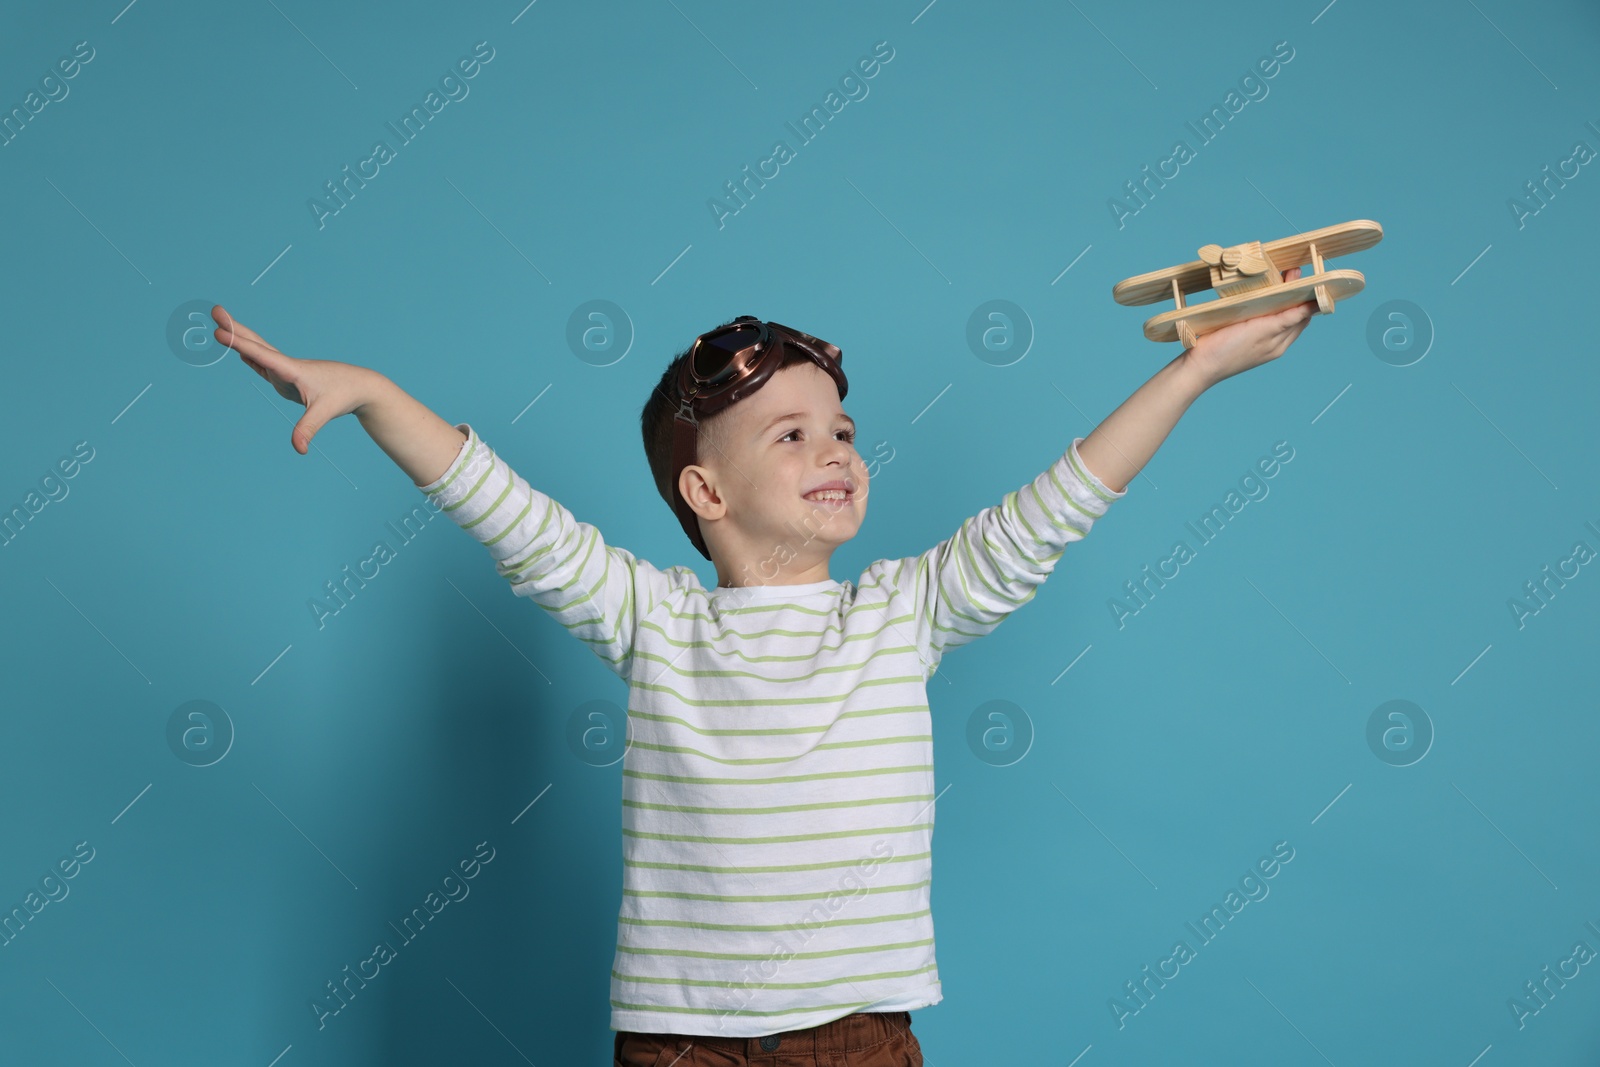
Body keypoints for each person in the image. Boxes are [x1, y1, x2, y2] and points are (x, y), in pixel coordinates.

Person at [211, 278, 1314, 1066]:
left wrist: (1196, 369)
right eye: (787, 436)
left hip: (857, 1037)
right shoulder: (651, 618)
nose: (833, 450)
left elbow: (1059, 502)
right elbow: (506, 510)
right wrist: (375, 396)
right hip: (679, 1040)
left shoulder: (902, 611)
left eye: (840, 429)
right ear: (705, 493)